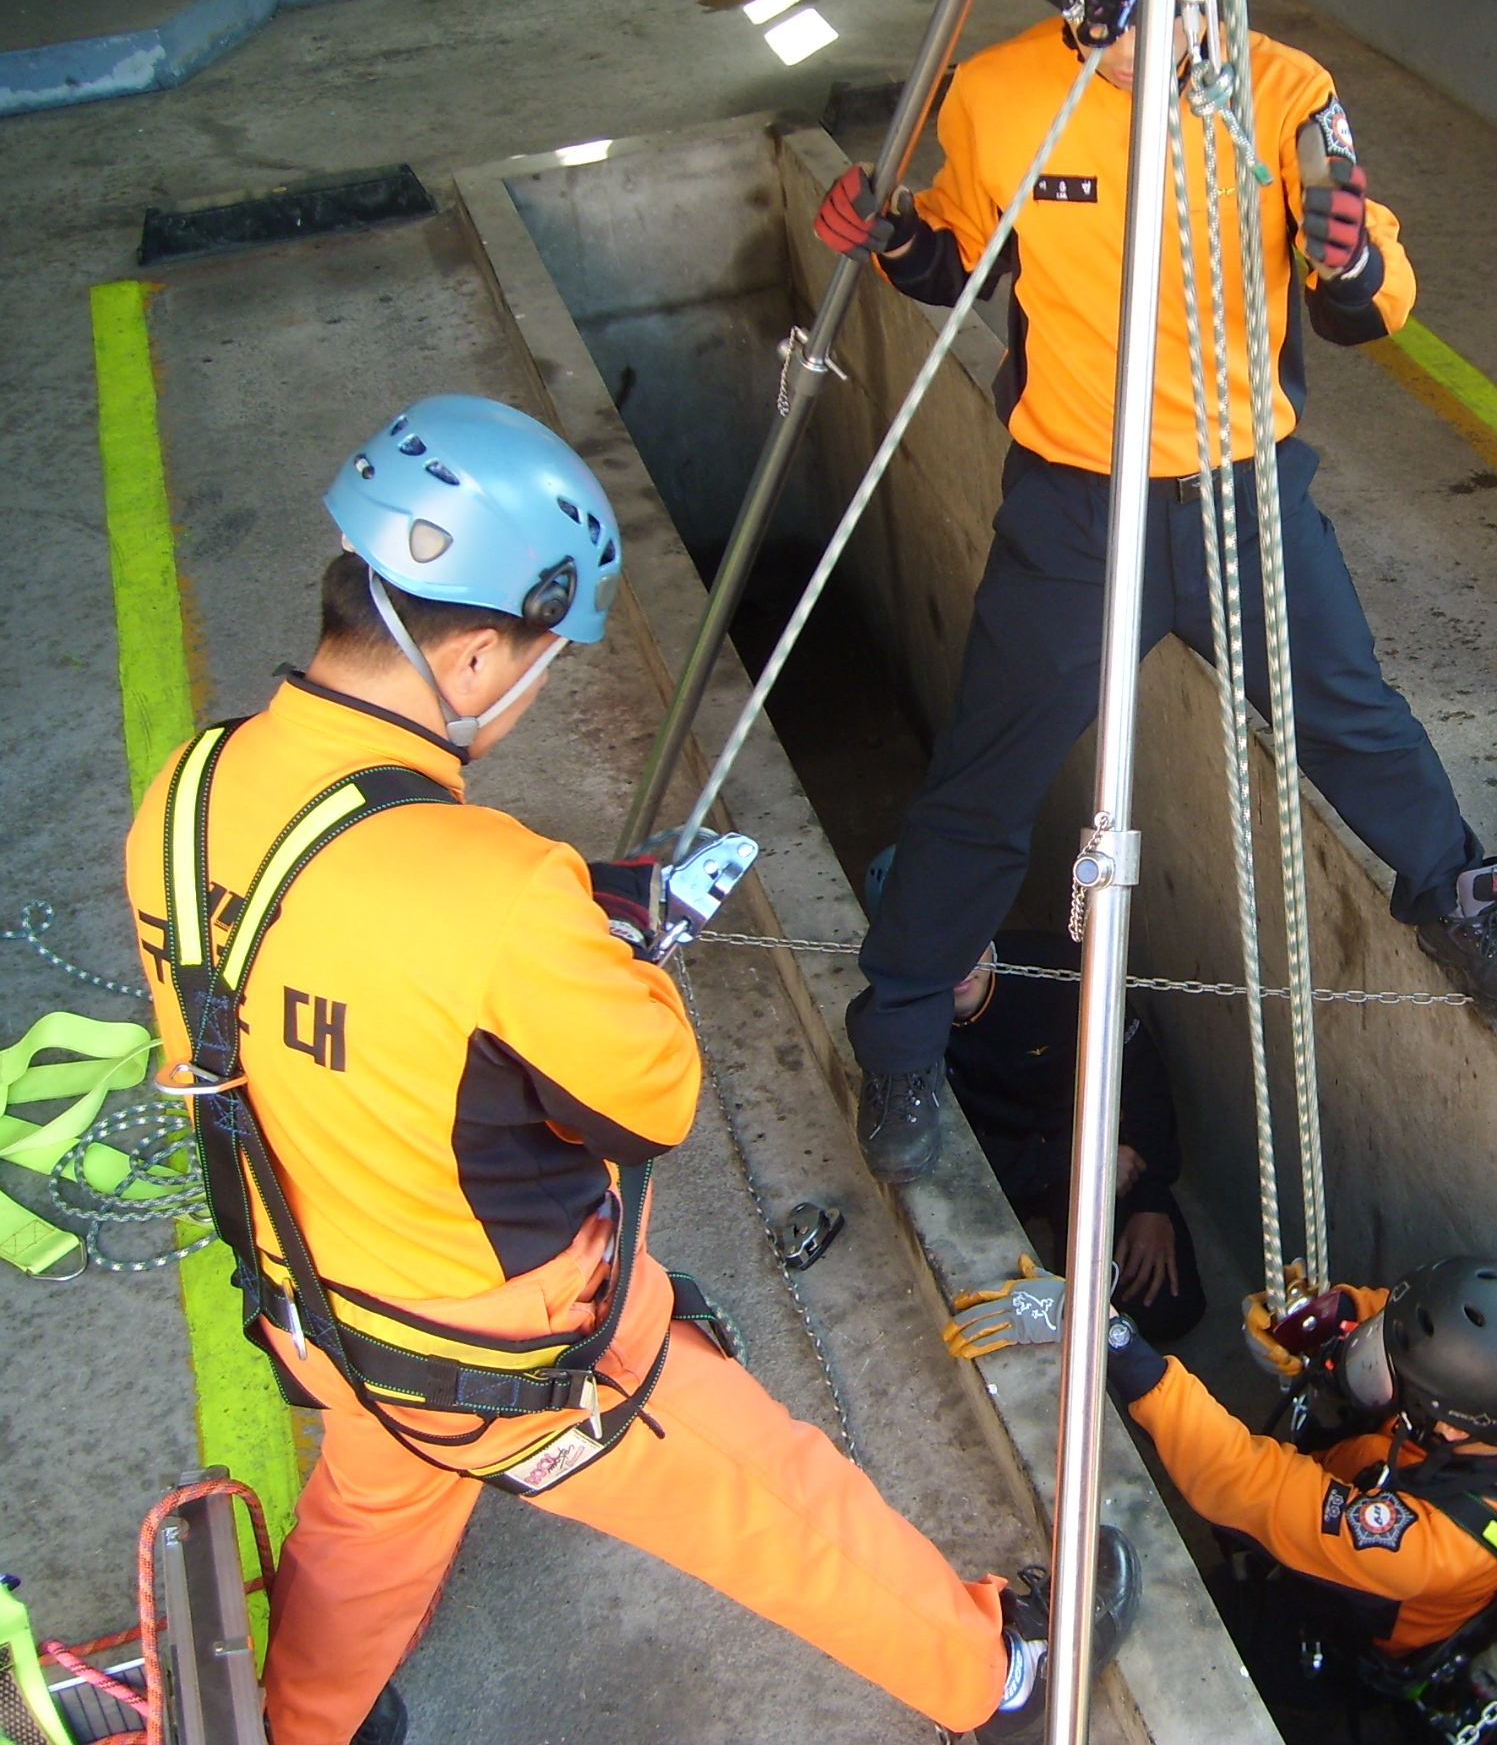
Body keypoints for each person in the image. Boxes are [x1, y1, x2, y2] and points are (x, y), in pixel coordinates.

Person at [123, 395, 1132, 1745]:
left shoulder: (186, 791)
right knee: (772, 1497)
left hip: (319, 1300)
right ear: (472, 657)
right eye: (541, 660)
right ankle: (994, 1675)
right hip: (506, 1348)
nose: (535, 688)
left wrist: (554, 932)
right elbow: (649, 1100)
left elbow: (330, 982)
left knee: (370, 1513)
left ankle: (301, 1725)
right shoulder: (499, 890)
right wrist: (617, 951)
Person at [815, 0, 1497, 1187]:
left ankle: (1460, 898)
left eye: (1198, 3)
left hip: (1241, 491)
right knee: (985, 775)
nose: (1174, 40)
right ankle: (906, 1033)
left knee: (1350, 714)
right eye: (1137, 16)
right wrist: (900, 238)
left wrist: (1347, 263)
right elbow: (964, 259)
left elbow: (1372, 298)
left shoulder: (1281, 92)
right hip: (1073, 506)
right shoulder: (1001, 95)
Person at [948, 1255, 1497, 1702]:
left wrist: (1110, 1338)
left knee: (1169, 1624)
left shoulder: (1423, 1546)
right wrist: (1334, 1314)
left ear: (1447, 1423)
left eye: (1399, 1371)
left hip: (1339, 1631)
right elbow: (1406, 1317)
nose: (1377, 1359)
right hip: (1383, 1479)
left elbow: (1242, 1480)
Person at [863, 850, 1207, 1344]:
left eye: (968, 933)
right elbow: (934, 1158)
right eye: (931, 946)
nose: (958, 961)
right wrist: (1070, 1162)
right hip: (1003, 1170)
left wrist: (1151, 1198)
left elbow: (1140, 1078)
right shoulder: (892, 1029)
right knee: (950, 1307)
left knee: (1166, 1310)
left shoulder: (1057, 974)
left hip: (1089, 1157)